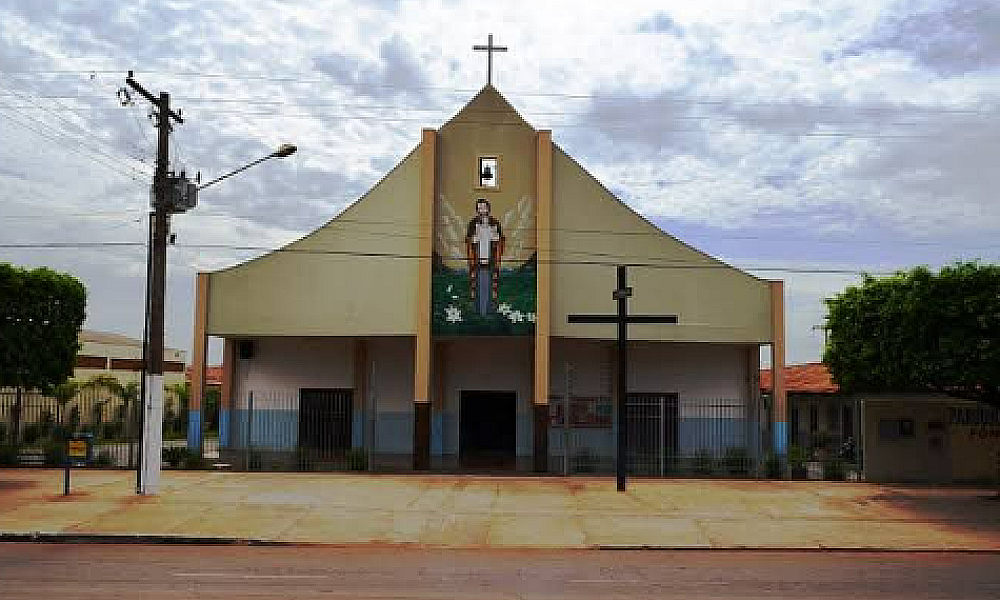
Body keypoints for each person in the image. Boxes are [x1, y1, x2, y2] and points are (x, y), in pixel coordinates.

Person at [465, 198, 504, 314]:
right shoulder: (473, 224)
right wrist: (474, 239)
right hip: (478, 258)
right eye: (480, 208)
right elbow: (469, 240)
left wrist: (495, 237)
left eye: (484, 207)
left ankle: (490, 309)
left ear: (488, 208)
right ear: (477, 210)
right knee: (476, 284)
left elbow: (499, 241)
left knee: (491, 284)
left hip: (490, 258)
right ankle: (477, 310)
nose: (482, 210)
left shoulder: (495, 223)